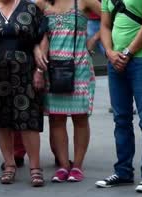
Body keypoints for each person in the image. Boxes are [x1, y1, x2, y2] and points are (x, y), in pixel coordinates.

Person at [94, 0, 142, 193]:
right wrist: (109, 52)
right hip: (115, 61)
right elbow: (105, 25)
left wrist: (127, 53)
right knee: (121, 118)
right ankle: (123, 171)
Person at [36, 0, 101, 182]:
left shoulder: (84, 0)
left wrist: (94, 39)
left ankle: (77, 166)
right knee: (57, 118)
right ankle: (64, 166)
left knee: (80, 117)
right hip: (52, 67)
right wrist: (38, 55)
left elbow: (110, 19)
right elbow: (34, 32)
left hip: (79, 65)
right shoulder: (42, 3)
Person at [0, 0, 47, 186]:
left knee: (28, 118)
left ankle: (35, 168)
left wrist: (40, 69)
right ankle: (9, 165)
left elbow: (42, 36)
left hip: (24, 73)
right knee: (1, 119)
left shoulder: (29, 8)